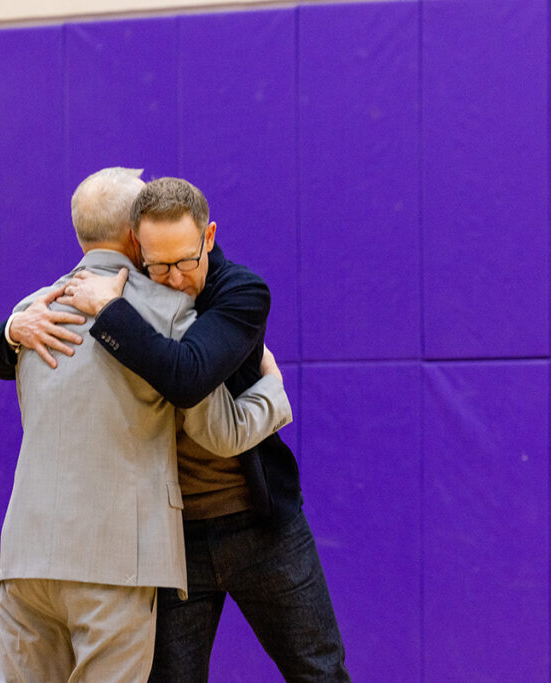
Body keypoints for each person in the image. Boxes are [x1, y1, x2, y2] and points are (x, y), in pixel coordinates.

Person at [0, 167, 294, 682]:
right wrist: (272, 392)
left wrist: (10, 329)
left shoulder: (31, 311)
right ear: (137, 236)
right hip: (116, 560)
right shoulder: (171, 313)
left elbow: (0, 351)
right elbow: (218, 432)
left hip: (24, 558)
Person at [54, 177, 350, 682]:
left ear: (208, 237)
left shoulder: (241, 291)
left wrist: (108, 312)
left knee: (320, 672)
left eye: (186, 261)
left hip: (264, 525)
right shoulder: (128, 292)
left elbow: (187, 376)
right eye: (158, 264)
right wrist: (8, 335)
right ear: (135, 247)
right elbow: (22, 326)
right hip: (172, 543)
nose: (172, 280)